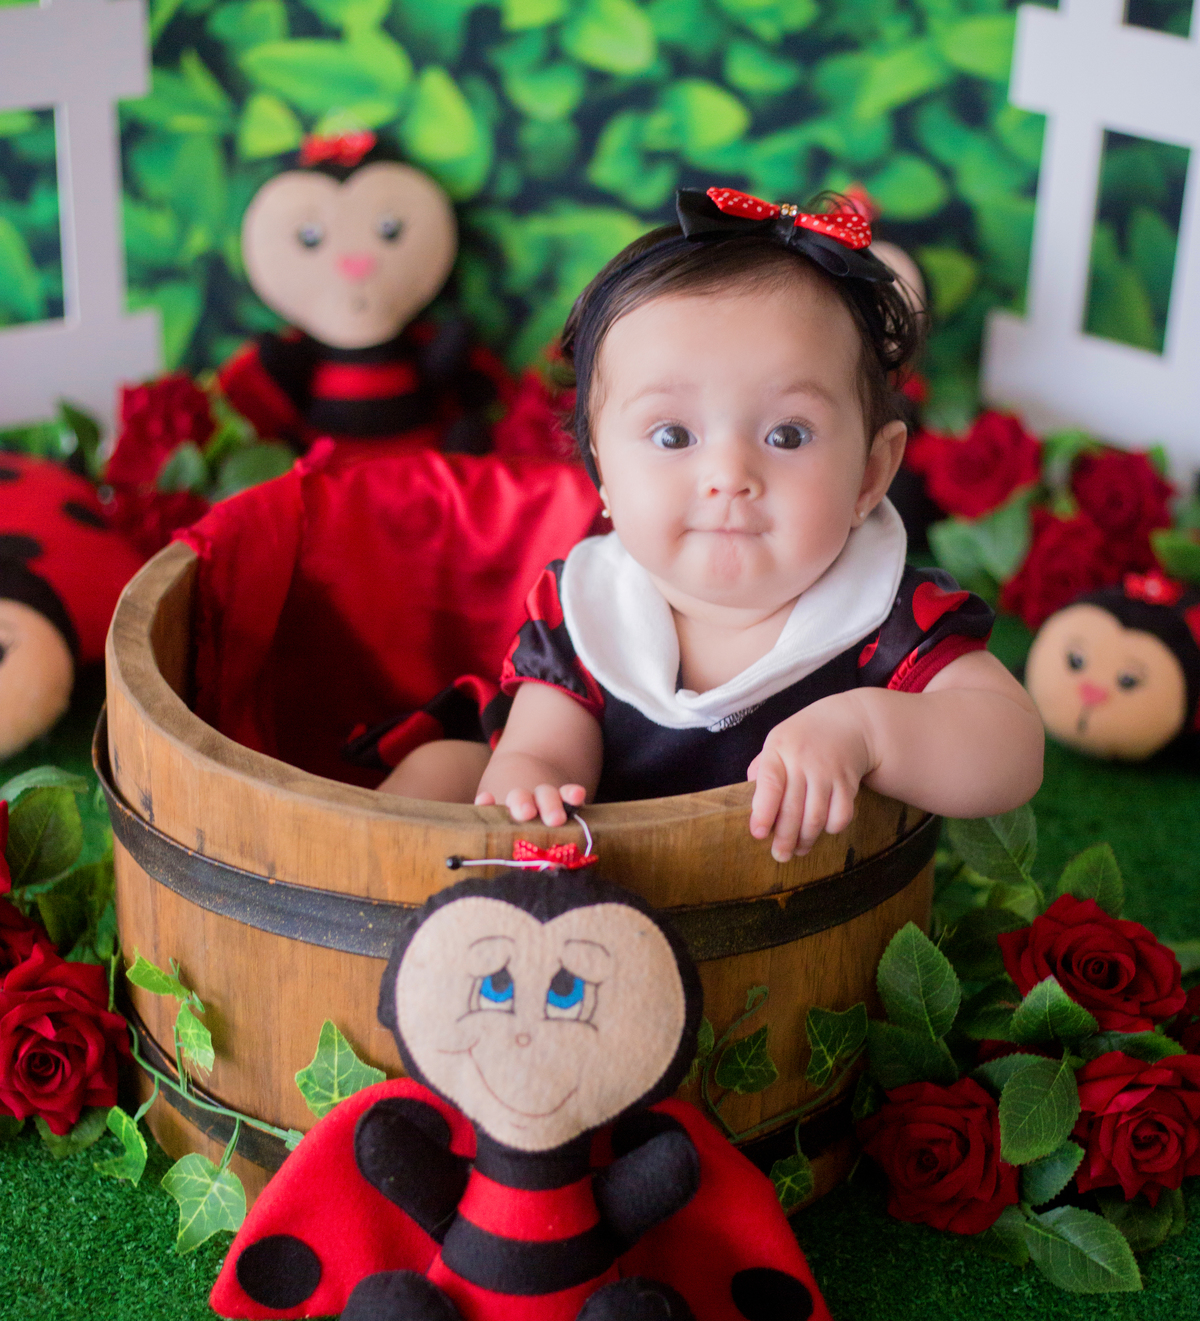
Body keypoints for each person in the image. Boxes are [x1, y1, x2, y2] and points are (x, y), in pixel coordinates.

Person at [377, 187, 1043, 862]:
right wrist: (534, 784)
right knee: (438, 775)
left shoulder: (886, 615)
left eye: (788, 434)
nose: (730, 474)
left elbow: (1010, 749)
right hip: (606, 877)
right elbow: (545, 747)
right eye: (672, 436)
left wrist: (869, 729)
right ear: (603, 472)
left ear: (871, 474)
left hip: (779, 906)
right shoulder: (589, 608)